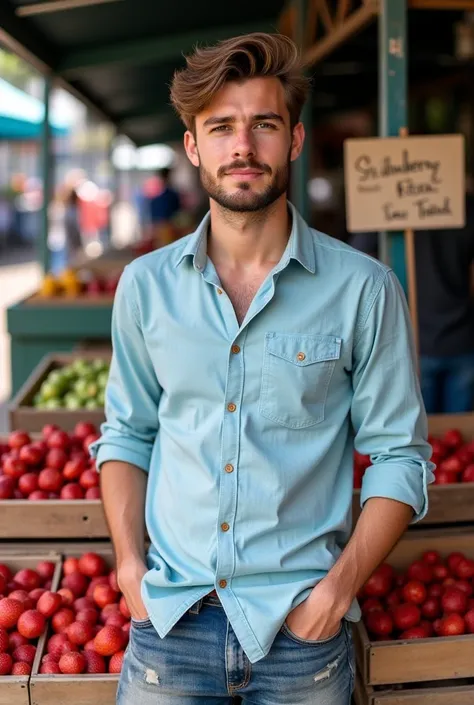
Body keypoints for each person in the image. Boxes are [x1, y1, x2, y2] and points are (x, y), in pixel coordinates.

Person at [90, 33, 434, 705]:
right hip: (170, 625)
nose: (242, 146)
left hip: (300, 633)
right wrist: (130, 569)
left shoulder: (364, 289)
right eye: (221, 128)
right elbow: (127, 434)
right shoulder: (144, 286)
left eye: (264, 125)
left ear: (295, 140)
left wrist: (337, 591)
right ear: (193, 147)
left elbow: (400, 456)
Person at [350, 201, 474, 414]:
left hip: (412, 340)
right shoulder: (465, 208)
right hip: (453, 339)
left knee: (420, 436)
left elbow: (354, 261)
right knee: (456, 436)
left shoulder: (387, 206)